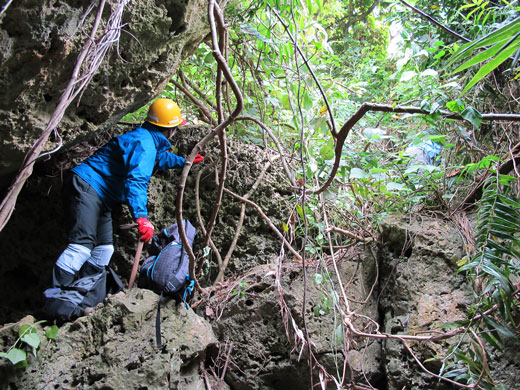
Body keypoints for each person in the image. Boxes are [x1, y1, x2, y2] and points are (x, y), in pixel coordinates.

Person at [51, 98, 203, 287]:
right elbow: (137, 181)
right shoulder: (144, 144)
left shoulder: (146, 139)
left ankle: (79, 294)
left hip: (102, 195)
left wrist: (184, 161)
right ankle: (55, 298)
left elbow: (159, 158)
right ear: (170, 129)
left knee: (103, 251)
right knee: (81, 246)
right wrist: (141, 217)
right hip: (88, 186)